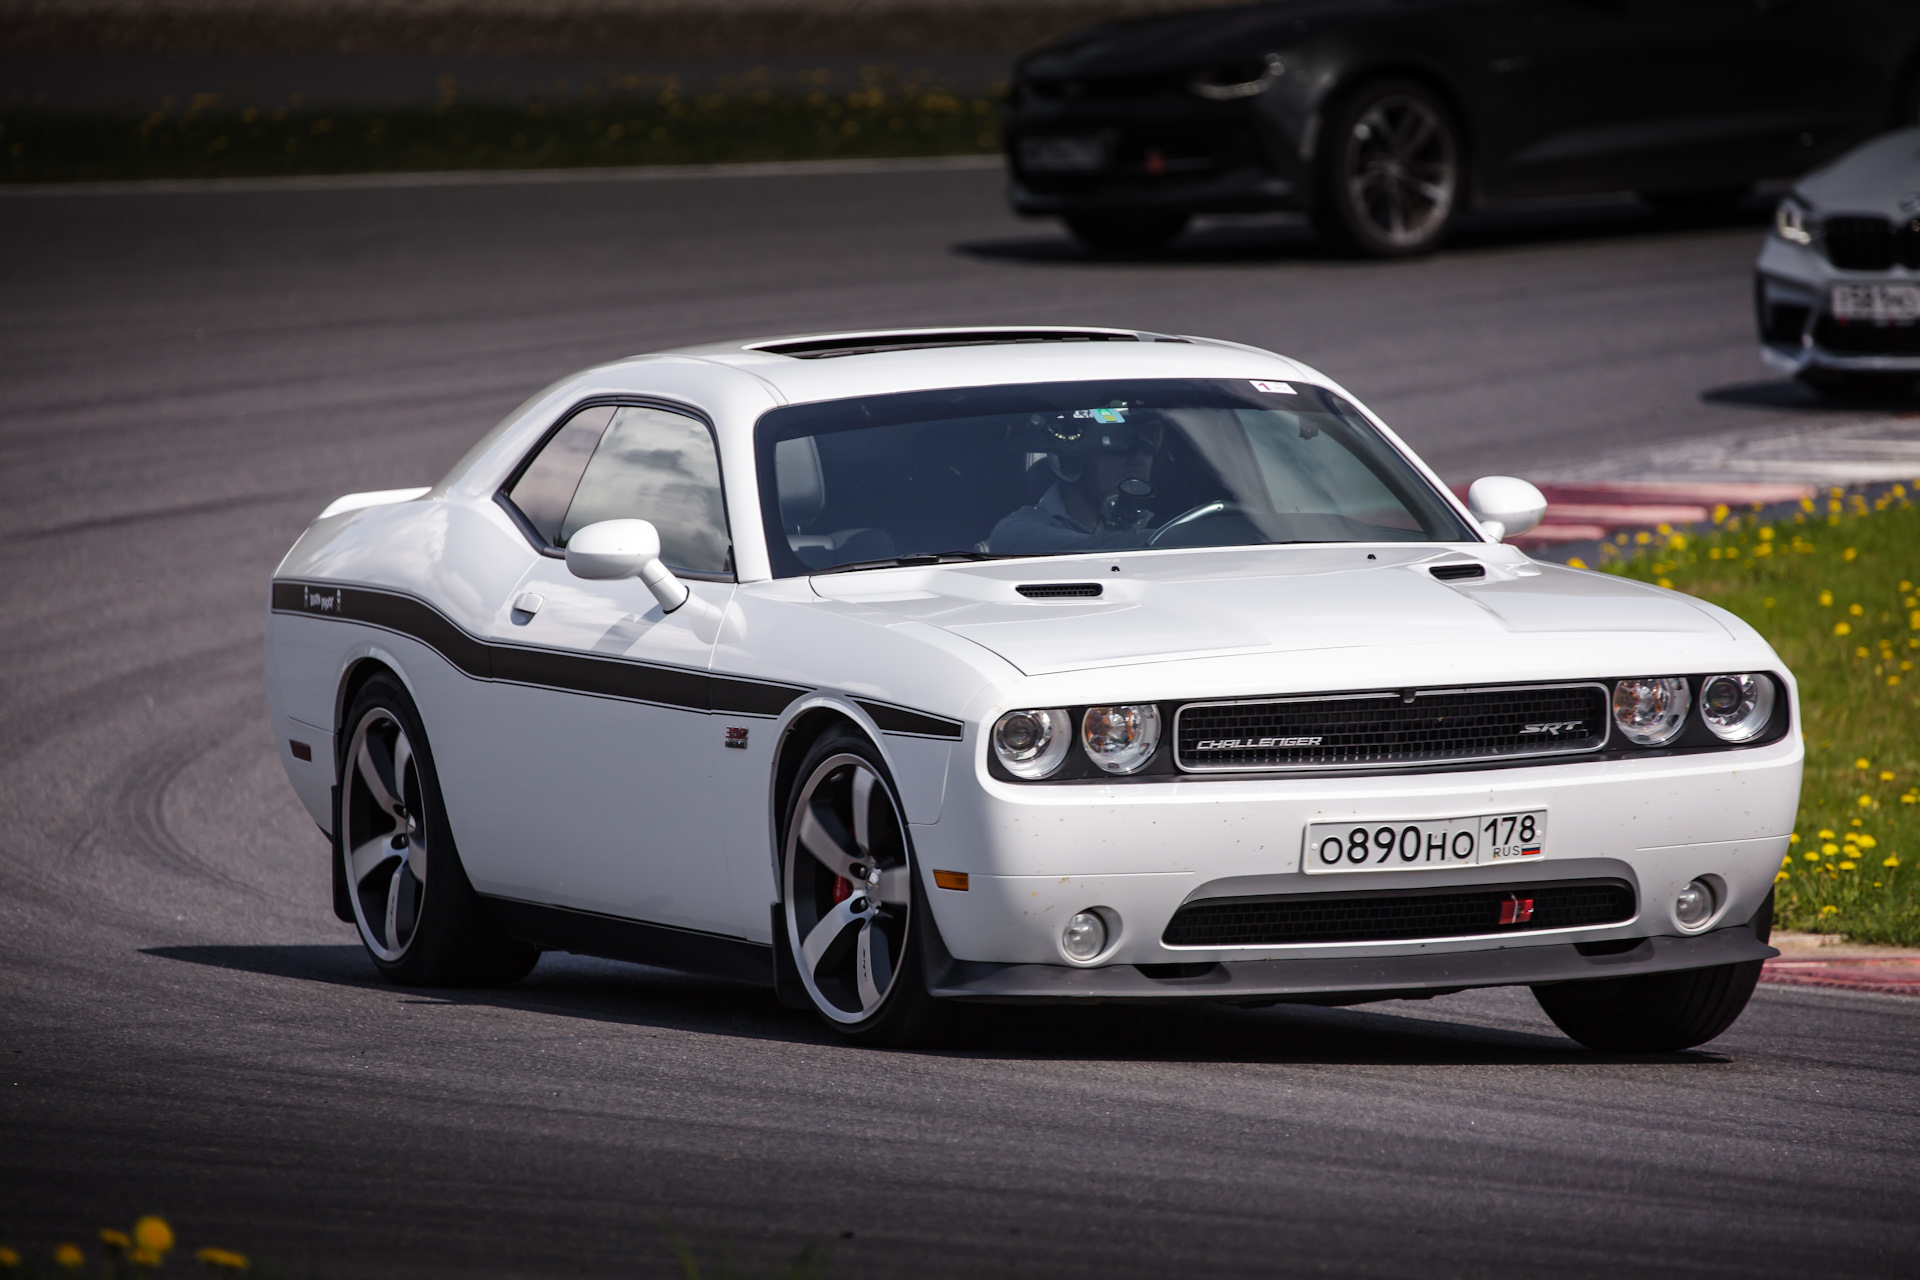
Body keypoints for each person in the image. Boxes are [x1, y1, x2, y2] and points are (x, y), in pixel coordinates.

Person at [988, 408, 1165, 554]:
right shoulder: (1017, 530)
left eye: (1149, 445)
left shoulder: (1170, 521)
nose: (1140, 459)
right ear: (1072, 462)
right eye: (1118, 447)